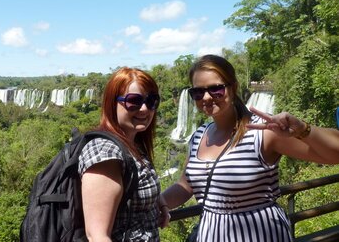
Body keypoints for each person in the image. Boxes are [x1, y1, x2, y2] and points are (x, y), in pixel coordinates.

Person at [160, 54, 339, 242]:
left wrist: (303, 129)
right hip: (211, 234)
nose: (206, 97)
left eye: (216, 89)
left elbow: (334, 154)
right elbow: (185, 186)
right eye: (197, 92)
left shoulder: (263, 131)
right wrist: (156, 202)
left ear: (233, 87)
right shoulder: (198, 136)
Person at [79, 67, 168, 241]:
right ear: (112, 103)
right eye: (133, 101)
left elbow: (138, 187)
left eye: (151, 101)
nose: (144, 109)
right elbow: (97, 236)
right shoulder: (105, 154)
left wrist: (161, 203)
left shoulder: (132, 144)